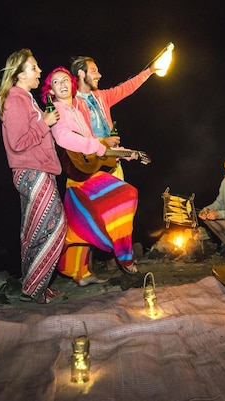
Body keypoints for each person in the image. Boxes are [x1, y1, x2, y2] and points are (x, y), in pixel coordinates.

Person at [42, 66, 140, 283]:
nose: (63, 84)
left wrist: (123, 153)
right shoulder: (56, 110)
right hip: (80, 179)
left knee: (82, 225)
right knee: (125, 194)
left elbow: (97, 145)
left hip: (84, 173)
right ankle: (124, 255)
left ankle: (81, 274)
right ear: (51, 92)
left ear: (73, 84)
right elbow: (64, 138)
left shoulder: (77, 110)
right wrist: (97, 146)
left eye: (66, 80)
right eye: (56, 82)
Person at [0, 48, 66, 304]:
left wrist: (47, 120)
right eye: (34, 67)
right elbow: (19, 142)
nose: (39, 71)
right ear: (20, 74)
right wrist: (45, 122)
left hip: (40, 170)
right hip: (32, 172)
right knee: (54, 226)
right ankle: (34, 285)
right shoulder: (15, 99)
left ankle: (36, 287)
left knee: (34, 230)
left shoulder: (26, 98)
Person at [69, 55, 159, 270]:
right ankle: (85, 270)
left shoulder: (102, 97)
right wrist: (102, 142)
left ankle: (121, 259)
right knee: (89, 217)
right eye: (94, 70)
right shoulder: (71, 104)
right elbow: (74, 139)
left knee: (122, 212)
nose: (99, 74)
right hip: (88, 168)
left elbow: (127, 87)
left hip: (112, 164)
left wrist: (149, 71)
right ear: (81, 74)